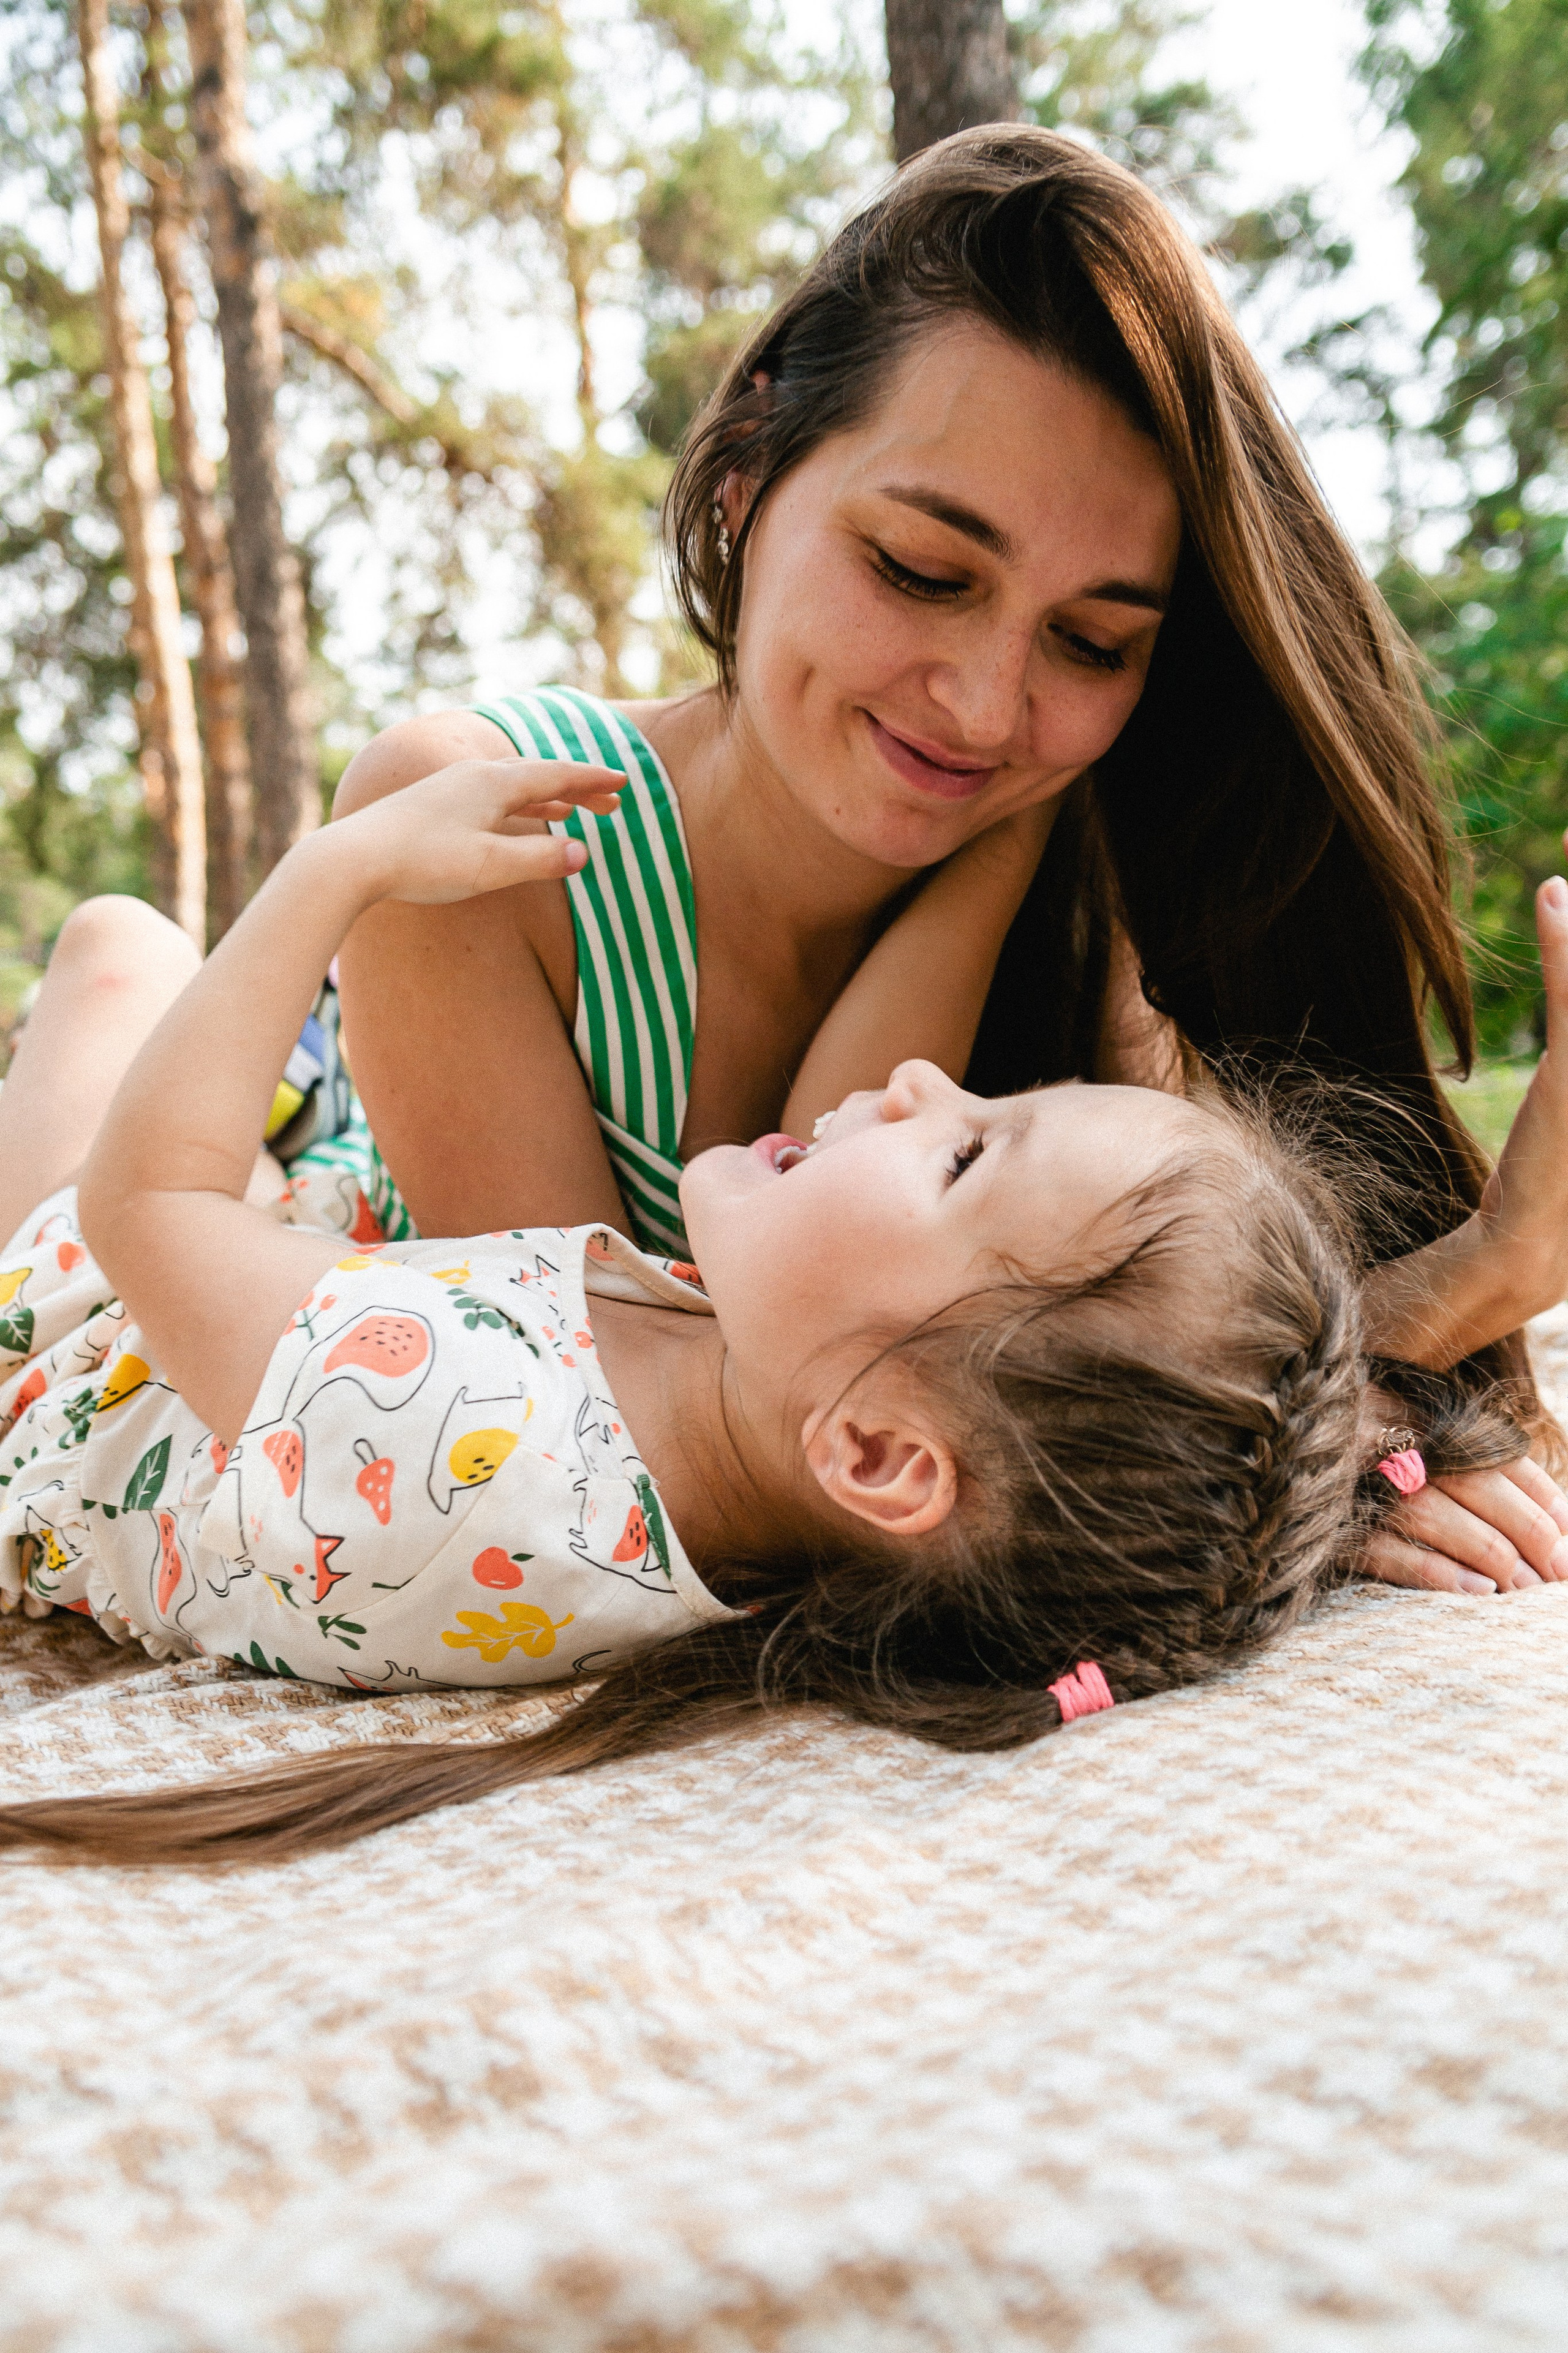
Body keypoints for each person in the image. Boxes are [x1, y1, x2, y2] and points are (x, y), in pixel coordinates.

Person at [307, 126, 1568, 1596]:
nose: (981, 706)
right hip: (313, 1210)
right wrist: (1392, 1348)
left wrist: (1481, 1269)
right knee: (110, 1019)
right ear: (745, 474)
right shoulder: (491, 837)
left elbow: (1063, 1401)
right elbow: (616, 1471)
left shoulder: (1073, 899)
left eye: (1091, 642)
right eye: (919, 569)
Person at [0, 755, 1380, 1862]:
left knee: (122, 949)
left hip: (65, 1338)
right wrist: (1013, 827)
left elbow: (148, 1211)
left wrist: (335, 875)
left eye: (963, 1148)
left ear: (882, 1458)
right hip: (268, 1301)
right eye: (992, 1095)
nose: (920, 1082)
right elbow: (824, 1123)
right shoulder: (777, 1478)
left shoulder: (460, 1422)